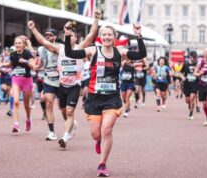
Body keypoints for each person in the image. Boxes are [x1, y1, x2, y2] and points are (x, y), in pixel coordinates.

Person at [64, 22, 146, 177]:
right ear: (100, 37)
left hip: (112, 98)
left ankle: (102, 164)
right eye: (104, 35)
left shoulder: (120, 52)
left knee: (107, 129)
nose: (107, 37)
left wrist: (138, 35)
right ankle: (98, 141)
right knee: (96, 134)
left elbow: (141, 54)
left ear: (114, 37)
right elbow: (70, 54)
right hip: (94, 98)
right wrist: (68, 36)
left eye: (109, 34)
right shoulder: (93, 50)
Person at [28, 10, 100, 143]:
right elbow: (43, 41)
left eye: (71, 35)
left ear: (76, 38)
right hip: (62, 85)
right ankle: (71, 125)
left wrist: (96, 19)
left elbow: (91, 34)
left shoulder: (81, 48)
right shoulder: (59, 49)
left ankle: (65, 137)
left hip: (75, 85)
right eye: (67, 34)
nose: (69, 37)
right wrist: (33, 29)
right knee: (63, 110)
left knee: (70, 111)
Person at [0, 36, 35, 132]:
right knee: (16, 101)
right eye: (16, 43)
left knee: (26, 104)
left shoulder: (27, 53)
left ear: (23, 44)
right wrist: (2, 65)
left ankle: (28, 119)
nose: (18, 45)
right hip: (16, 79)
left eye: (20, 43)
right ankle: (16, 124)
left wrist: (25, 61)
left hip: (27, 80)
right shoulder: (13, 54)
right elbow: (10, 64)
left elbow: (33, 66)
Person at [180, 51, 198, 120]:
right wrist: (182, 77)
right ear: (190, 57)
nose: (195, 59)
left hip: (195, 83)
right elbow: (181, 73)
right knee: (187, 100)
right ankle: (190, 105)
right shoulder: (186, 64)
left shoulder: (198, 64)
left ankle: (191, 114)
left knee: (192, 98)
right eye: (193, 58)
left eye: (196, 58)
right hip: (187, 84)